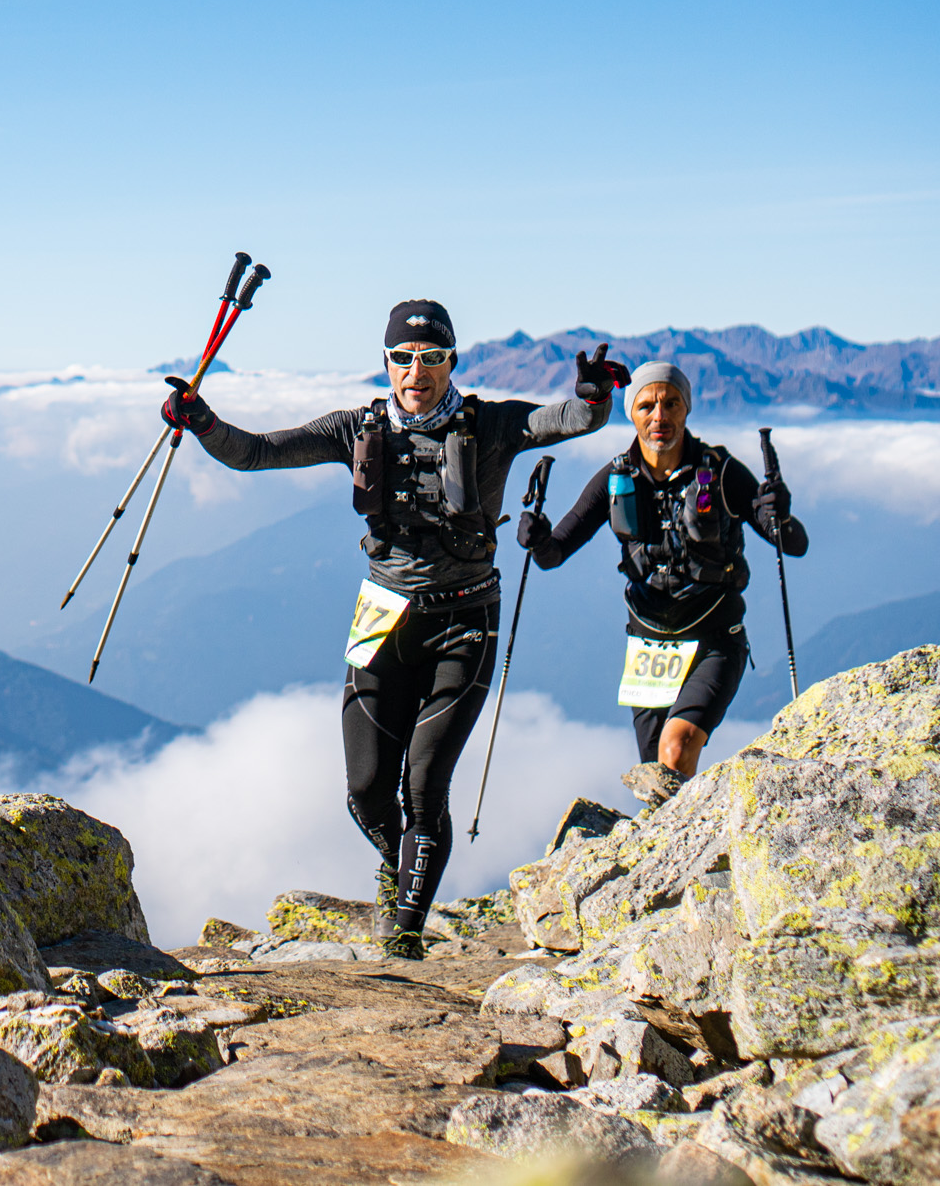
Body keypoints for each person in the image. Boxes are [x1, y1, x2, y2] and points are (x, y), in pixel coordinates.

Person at [160, 300, 628, 959]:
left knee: (424, 784)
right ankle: (400, 859)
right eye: (404, 358)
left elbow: (567, 419)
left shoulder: (491, 423)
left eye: (432, 357)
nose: (418, 371)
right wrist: (204, 423)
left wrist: (594, 395)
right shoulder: (356, 426)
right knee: (365, 790)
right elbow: (257, 452)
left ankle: (401, 935)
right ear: (386, 363)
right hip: (383, 619)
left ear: (451, 362)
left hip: (466, 623)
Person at [516, 361, 807, 805]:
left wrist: (778, 512)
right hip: (648, 647)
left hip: (715, 639)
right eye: (647, 405)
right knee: (658, 783)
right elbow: (553, 554)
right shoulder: (615, 479)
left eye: (671, 403)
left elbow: (792, 543)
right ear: (631, 415)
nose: (660, 416)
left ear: (686, 410)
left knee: (676, 749)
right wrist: (536, 539)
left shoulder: (722, 472)